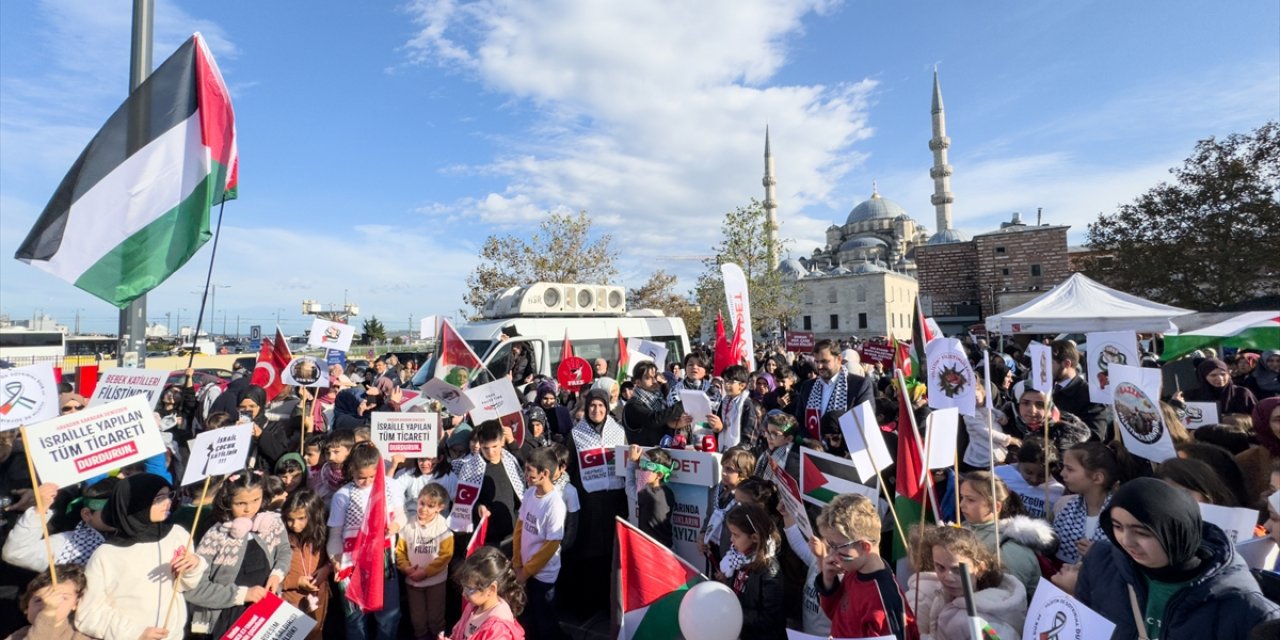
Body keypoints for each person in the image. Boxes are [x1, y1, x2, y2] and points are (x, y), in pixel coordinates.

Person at [1075, 478, 1280, 638]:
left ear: (1176, 533)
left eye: (1142, 532)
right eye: (1117, 527)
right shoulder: (1102, 562)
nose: (1126, 541)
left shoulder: (1248, 608)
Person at [76, 473, 207, 640]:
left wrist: (193, 566)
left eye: (169, 495)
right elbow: (88, 614)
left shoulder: (177, 534)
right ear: (135, 503)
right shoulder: (107, 554)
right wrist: (134, 633)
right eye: (159, 498)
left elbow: (184, 586)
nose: (168, 502)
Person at [186, 470, 292, 637]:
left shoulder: (271, 523)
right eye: (240, 503)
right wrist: (243, 594)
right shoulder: (216, 536)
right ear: (227, 501)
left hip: (266, 615)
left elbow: (284, 551)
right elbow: (195, 589)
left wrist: (277, 575)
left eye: (256, 500)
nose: (249, 509)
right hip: (228, 620)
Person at [328, 442, 406, 640]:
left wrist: (395, 526)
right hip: (351, 563)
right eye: (361, 477)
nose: (367, 481)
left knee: (388, 616)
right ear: (352, 471)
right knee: (355, 618)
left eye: (372, 476)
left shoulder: (390, 486)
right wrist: (335, 559)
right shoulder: (342, 496)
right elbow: (335, 534)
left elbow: (401, 516)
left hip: (383, 560)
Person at [814, 493, 918, 640]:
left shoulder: (884, 601)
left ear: (864, 546)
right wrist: (828, 580)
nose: (832, 554)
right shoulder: (854, 570)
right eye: (831, 545)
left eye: (838, 547)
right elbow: (837, 615)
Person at [564, 388, 629, 615]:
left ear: (607, 407)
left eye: (601, 406)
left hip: (613, 503)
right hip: (588, 504)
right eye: (592, 405)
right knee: (588, 553)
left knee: (610, 552)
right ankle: (588, 603)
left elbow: (627, 463)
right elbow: (568, 466)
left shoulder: (619, 432)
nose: (597, 410)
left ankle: (608, 602)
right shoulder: (576, 434)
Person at [906, 526, 1027, 640]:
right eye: (940, 567)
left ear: (979, 568)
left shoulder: (986, 619)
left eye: (957, 570)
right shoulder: (943, 595)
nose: (947, 577)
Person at [958, 471, 1055, 601]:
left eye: (970, 500)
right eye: (962, 497)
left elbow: (1007, 597)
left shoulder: (1011, 546)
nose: (961, 505)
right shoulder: (964, 529)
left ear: (996, 506)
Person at [3, 477, 118, 572]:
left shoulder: (135, 538)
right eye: (111, 510)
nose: (121, 514)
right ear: (87, 514)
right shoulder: (68, 545)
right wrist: (40, 509)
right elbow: (17, 552)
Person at [513, 447, 566, 640]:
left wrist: (526, 572)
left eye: (529, 470)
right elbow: (520, 527)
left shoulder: (555, 505)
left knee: (546, 622)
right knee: (530, 619)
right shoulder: (529, 494)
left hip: (543, 576)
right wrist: (517, 562)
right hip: (524, 571)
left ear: (544, 474)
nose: (526, 474)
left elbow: (551, 546)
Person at [449, 420, 526, 554]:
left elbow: (522, 492)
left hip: (513, 532)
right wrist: (478, 507)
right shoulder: (471, 468)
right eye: (485, 448)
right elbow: (463, 503)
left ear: (502, 441)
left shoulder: (512, 462)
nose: (491, 452)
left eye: (495, 446)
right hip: (486, 537)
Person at [1053, 442, 1131, 566]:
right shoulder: (1065, 505)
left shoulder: (1120, 516)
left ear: (1097, 478)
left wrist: (1099, 554)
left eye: (1070, 469)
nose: (1062, 474)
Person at [396, 483, 454, 640]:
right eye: (422, 503)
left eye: (430, 506)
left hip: (435, 582)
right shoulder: (408, 524)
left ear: (440, 507)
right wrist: (406, 568)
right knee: (418, 620)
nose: (424, 509)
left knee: (435, 619)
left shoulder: (443, 526)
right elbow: (400, 551)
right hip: (413, 582)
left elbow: (446, 555)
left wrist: (426, 572)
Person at [723, 504, 786, 640]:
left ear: (755, 538)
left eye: (736, 535)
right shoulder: (739, 558)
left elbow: (769, 618)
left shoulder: (769, 570)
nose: (731, 540)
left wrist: (733, 613)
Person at [791, 340, 874, 443]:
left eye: (824, 361)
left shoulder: (859, 385)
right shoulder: (807, 386)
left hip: (843, 453)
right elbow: (799, 421)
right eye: (816, 362)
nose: (819, 366)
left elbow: (865, 424)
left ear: (839, 359)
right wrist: (810, 441)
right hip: (813, 452)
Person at [281, 490, 331, 640]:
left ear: (314, 515)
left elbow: (334, 557)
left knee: (316, 632)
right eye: (290, 519)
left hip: (318, 597)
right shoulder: (282, 538)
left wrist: (327, 568)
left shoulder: (322, 533)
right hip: (289, 600)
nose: (295, 525)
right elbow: (271, 577)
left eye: (301, 518)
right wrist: (296, 581)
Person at [449, 546, 526, 640]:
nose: (463, 593)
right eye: (463, 586)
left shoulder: (498, 630)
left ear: (491, 589)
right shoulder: (473, 607)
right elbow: (458, 632)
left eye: (470, 589)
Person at [1003, 382, 1091, 462]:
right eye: (1025, 403)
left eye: (1040, 405)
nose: (1032, 410)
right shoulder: (1006, 423)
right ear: (1016, 405)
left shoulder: (1063, 433)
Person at [700, 446, 754, 568]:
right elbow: (709, 516)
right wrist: (703, 534)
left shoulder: (746, 501)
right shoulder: (715, 490)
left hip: (732, 560)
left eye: (729, 469)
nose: (723, 472)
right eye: (723, 467)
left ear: (743, 474)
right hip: (712, 552)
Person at [8, 564, 93, 640]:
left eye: (61, 597)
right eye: (38, 600)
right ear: (26, 608)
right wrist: (48, 613)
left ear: (75, 604)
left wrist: (49, 613)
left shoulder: (84, 633)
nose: (48, 603)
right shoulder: (18, 635)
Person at [1049, 340, 1112, 441]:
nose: (1044, 368)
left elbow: (1095, 435)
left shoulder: (1089, 394)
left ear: (1066, 364)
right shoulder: (1048, 389)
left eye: (1049, 363)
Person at [993, 439, 1064, 519]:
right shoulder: (1000, 474)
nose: (1034, 479)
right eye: (1028, 472)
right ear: (1019, 462)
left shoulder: (1058, 491)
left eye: (1042, 475)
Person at [622, 361, 685, 446]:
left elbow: (665, 418)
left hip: (664, 453)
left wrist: (665, 386)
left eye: (655, 376)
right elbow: (654, 419)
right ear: (638, 382)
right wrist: (683, 404)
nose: (655, 381)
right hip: (644, 456)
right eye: (648, 378)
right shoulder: (633, 405)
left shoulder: (659, 398)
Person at [239, 385, 301, 471]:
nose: (247, 410)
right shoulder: (233, 426)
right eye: (242, 407)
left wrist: (261, 435)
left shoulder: (275, 427)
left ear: (260, 406)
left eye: (252, 406)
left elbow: (279, 455)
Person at [625, 445, 675, 548]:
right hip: (666, 546)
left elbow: (629, 488)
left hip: (653, 549)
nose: (641, 470)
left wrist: (631, 462)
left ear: (660, 475)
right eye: (641, 466)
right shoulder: (668, 492)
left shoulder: (648, 495)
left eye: (646, 468)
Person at [707, 365, 761, 452]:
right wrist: (717, 428)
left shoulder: (748, 404)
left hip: (739, 456)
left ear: (742, 385)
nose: (726, 385)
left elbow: (749, 437)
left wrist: (737, 453)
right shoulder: (724, 401)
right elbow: (720, 427)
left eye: (731, 382)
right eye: (725, 381)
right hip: (723, 451)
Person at [1185, 358, 1258, 417]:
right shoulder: (1193, 395)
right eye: (1213, 375)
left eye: (1223, 374)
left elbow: (1257, 417)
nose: (1220, 378)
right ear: (1203, 377)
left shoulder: (1242, 393)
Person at [754, 411, 803, 482]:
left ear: (788, 439)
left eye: (774, 434)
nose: (768, 437)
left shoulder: (792, 460)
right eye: (768, 432)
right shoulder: (766, 449)